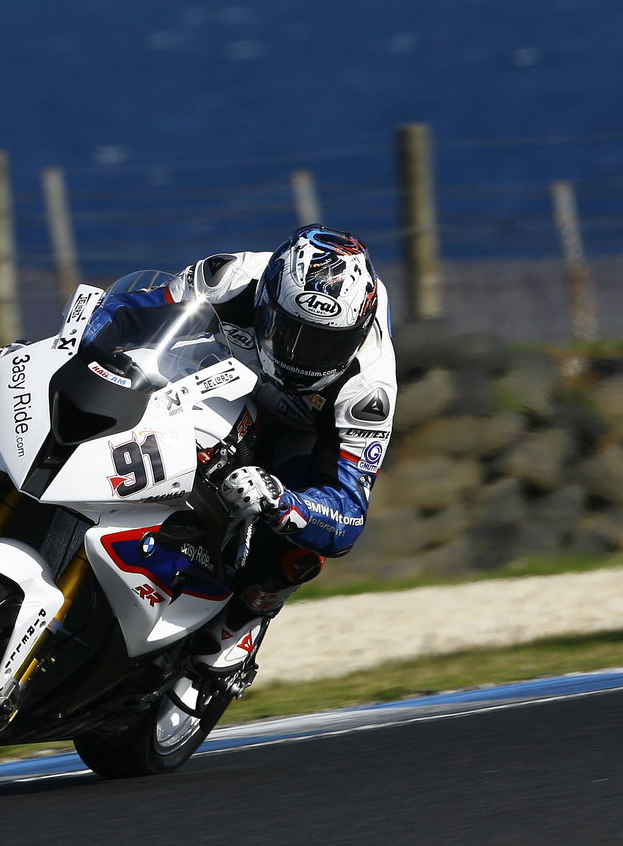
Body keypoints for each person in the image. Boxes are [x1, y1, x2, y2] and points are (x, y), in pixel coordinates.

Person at [93, 224, 399, 684]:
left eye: (324, 344)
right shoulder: (229, 278)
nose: (301, 355)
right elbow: (128, 312)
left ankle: (244, 620)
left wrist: (284, 502)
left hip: (304, 430)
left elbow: (349, 515)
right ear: (267, 303)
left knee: (297, 549)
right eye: (290, 331)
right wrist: (66, 349)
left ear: (353, 337)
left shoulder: (369, 386)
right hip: (220, 375)